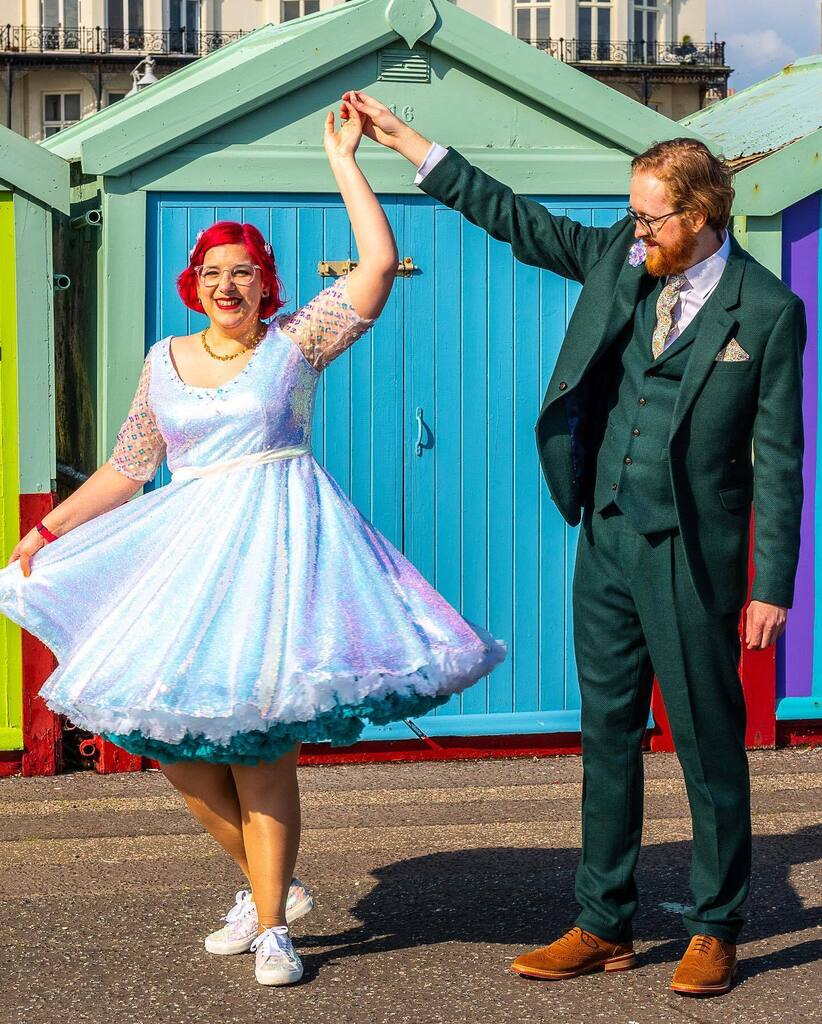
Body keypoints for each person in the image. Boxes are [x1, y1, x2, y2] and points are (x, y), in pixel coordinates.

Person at [0, 101, 505, 988]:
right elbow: (127, 468)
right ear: (193, 284)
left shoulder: (294, 345)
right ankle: (273, 887)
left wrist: (344, 161)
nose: (227, 285)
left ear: (267, 285)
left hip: (279, 561)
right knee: (168, 739)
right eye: (213, 272)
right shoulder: (163, 361)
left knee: (261, 747)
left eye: (243, 272)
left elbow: (376, 264)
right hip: (188, 566)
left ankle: (273, 927)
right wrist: (42, 533)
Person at [344, 89, 806, 997]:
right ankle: (603, 923)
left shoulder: (766, 310)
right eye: (632, 214)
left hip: (692, 554)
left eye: (650, 217)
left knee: (708, 744)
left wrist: (772, 583)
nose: (636, 230)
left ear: (700, 215)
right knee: (607, 735)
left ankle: (716, 928)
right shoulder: (622, 258)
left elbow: (781, 456)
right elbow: (519, 221)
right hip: (606, 537)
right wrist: (408, 144)